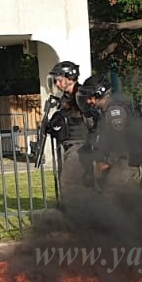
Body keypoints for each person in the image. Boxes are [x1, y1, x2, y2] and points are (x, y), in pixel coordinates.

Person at [80, 76, 141, 191]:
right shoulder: (104, 111)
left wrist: (108, 162)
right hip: (116, 163)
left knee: (113, 199)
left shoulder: (114, 111)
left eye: (91, 97)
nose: (88, 101)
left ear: (99, 94)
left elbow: (118, 140)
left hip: (123, 162)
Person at [40, 60, 92, 196]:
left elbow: (89, 119)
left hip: (80, 145)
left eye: (59, 80)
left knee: (68, 181)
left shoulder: (82, 96)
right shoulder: (65, 98)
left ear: (70, 78)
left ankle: (72, 213)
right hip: (69, 144)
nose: (57, 83)